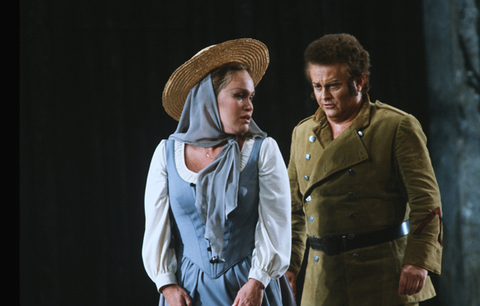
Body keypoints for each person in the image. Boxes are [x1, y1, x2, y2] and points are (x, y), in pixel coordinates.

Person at [285, 33, 443, 306]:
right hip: (321, 281)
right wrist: (288, 266)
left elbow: (426, 201)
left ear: (359, 81)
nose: (324, 96)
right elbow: (293, 210)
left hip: (381, 276)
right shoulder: (302, 133)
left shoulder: (396, 126)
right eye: (317, 86)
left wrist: (419, 260)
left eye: (333, 85)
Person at [142, 38, 296, 306]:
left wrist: (257, 281)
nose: (249, 105)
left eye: (251, 97)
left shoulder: (263, 150)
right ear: (208, 100)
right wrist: (166, 285)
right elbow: (157, 228)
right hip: (189, 290)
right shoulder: (167, 154)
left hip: (250, 287)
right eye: (239, 95)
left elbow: (276, 224)